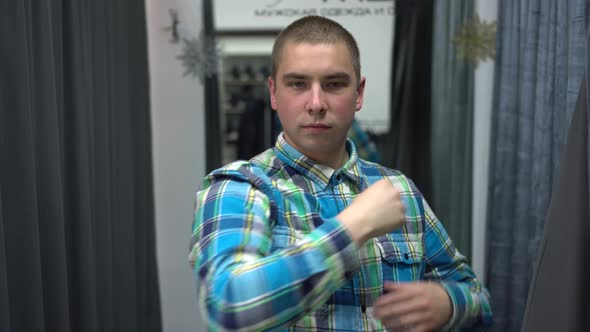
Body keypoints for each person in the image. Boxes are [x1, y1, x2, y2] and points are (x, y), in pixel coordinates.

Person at [189, 15, 492, 331]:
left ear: (358, 94)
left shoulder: (398, 188)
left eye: (334, 84)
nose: (317, 103)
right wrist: (354, 226)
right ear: (274, 94)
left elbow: (478, 298)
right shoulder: (240, 188)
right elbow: (226, 309)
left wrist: (448, 303)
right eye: (298, 84)